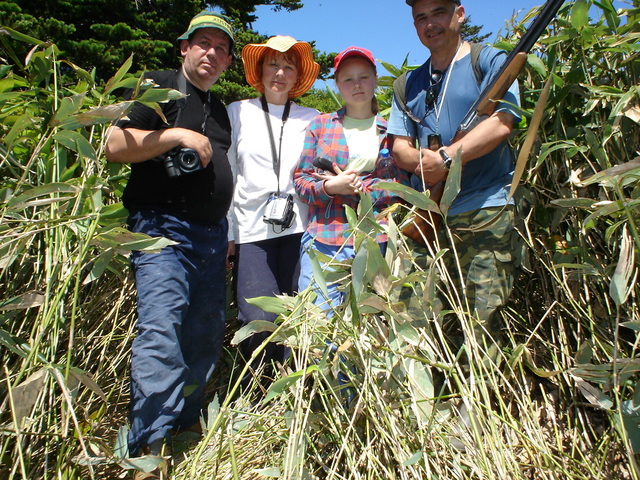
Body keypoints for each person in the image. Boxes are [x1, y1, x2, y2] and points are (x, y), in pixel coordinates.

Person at [105, 11, 234, 478]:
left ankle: (183, 426)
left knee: (203, 334)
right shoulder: (157, 85)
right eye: (204, 44)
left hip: (212, 237)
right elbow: (114, 143)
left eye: (221, 49)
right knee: (161, 330)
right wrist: (175, 134)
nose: (212, 54)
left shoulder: (220, 108)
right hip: (162, 229)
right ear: (184, 47)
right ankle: (148, 450)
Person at [388, 0, 522, 351]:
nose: (430, 23)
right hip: (429, 215)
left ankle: (474, 402)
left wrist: (446, 158)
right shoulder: (407, 84)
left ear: (459, 13)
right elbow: (400, 148)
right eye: (421, 16)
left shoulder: (489, 61)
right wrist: (426, 163)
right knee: (412, 318)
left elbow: (502, 122)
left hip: (484, 210)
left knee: (482, 321)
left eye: (439, 12)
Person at [226, 36, 319, 386]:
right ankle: (260, 392)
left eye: (288, 66)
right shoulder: (238, 112)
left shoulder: (314, 119)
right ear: (259, 71)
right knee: (257, 315)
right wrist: (230, 233)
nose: (280, 72)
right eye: (272, 64)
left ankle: (294, 392)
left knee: (299, 312)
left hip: (301, 230)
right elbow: (229, 172)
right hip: (252, 230)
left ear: (298, 76)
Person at [294, 46, 408, 310]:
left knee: (369, 326)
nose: (357, 84)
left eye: (364, 76)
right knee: (319, 322)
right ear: (337, 85)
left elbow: (400, 186)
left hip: (376, 240)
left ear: (376, 80)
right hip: (325, 239)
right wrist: (331, 186)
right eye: (348, 79)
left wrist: (362, 190)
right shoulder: (320, 126)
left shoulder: (391, 130)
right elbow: (301, 182)